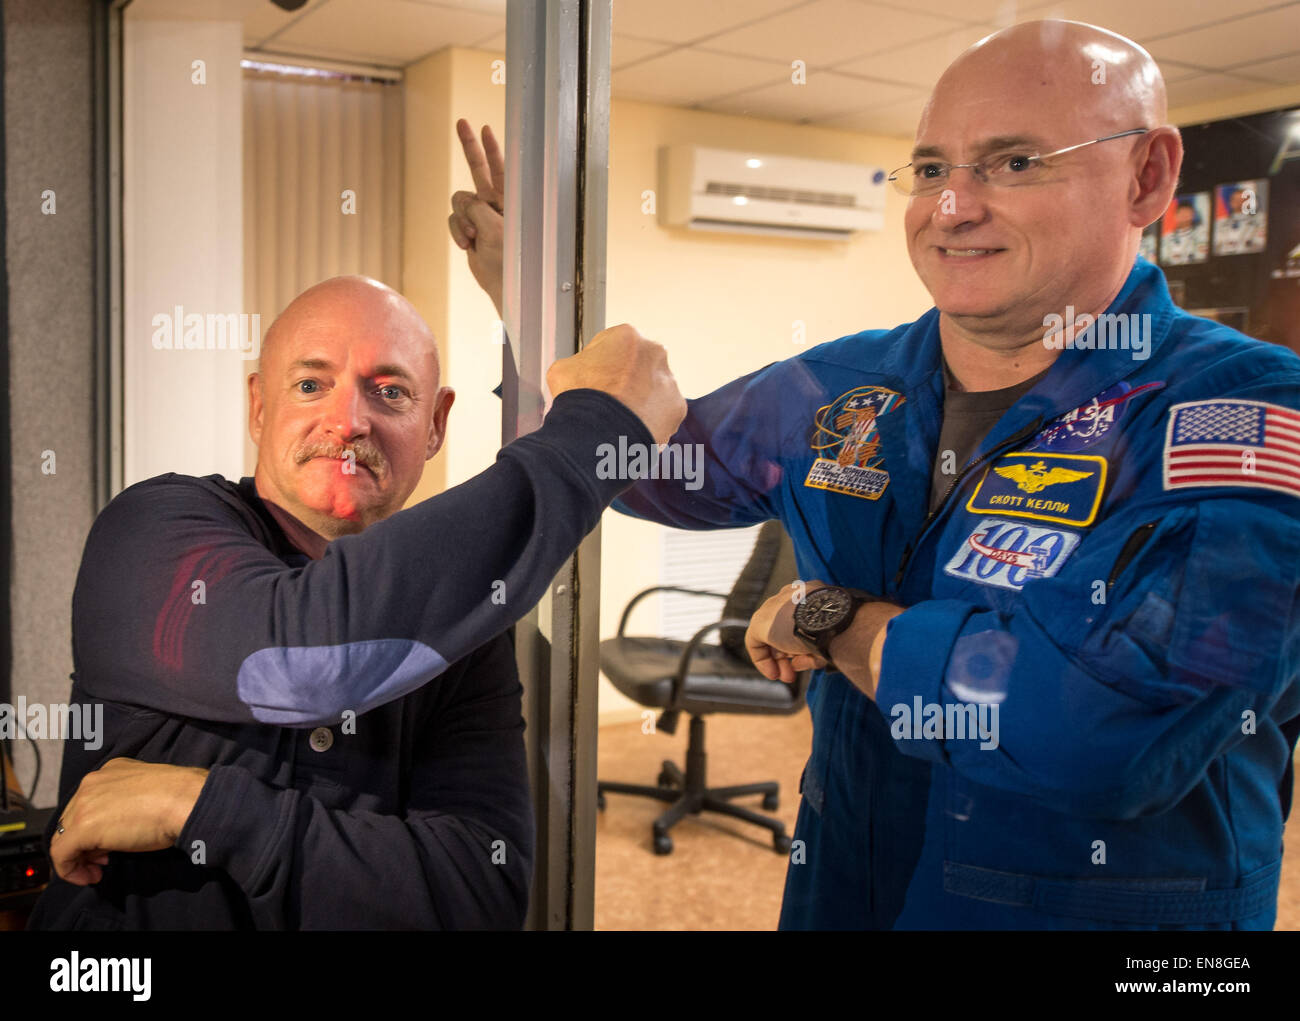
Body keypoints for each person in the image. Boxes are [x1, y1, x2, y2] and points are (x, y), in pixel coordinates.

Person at [451, 20, 1300, 929]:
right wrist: (523, 298)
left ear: (1149, 178)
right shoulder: (842, 388)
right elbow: (644, 465)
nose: (951, 207)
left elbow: (1097, 729)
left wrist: (833, 616)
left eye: (1013, 163)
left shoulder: (1242, 414)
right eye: (931, 169)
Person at [28, 275, 684, 929]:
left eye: (389, 391)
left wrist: (203, 808)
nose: (348, 422)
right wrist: (595, 434)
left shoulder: (459, 624)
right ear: (260, 405)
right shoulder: (152, 528)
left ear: (435, 424)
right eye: (311, 384)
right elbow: (302, 656)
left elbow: (478, 895)